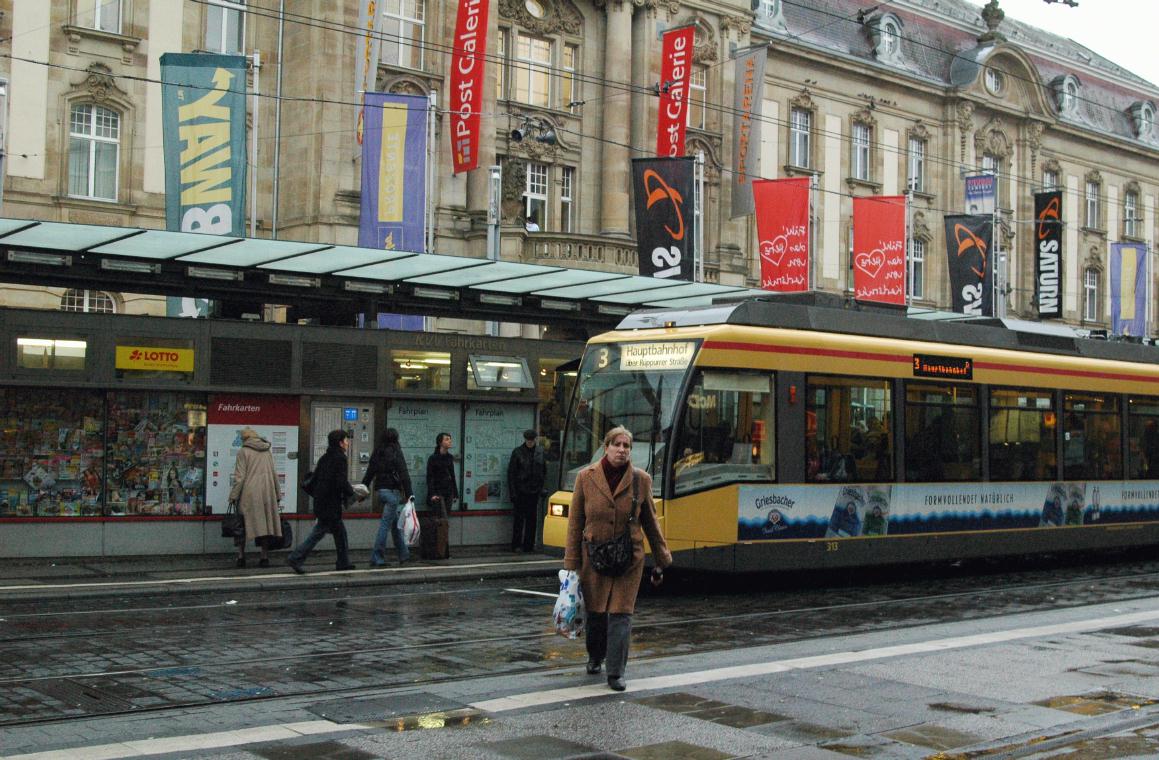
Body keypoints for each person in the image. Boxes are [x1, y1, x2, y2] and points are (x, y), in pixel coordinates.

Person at [563, 426, 672, 692]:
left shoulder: (640, 480)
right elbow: (575, 522)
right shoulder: (585, 478)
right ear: (606, 446)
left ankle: (616, 673)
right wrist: (571, 565)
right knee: (596, 614)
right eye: (617, 445)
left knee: (621, 615)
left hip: (629, 558)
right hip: (595, 558)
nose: (622, 450)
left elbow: (651, 523)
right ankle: (595, 656)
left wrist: (661, 559)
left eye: (627, 446)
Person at [287, 429, 359, 573]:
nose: (348, 442)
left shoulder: (325, 457)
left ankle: (343, 562)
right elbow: (340, 481)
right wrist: (354, 494)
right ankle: (296, 557)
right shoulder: (340, 458)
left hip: (322, 501)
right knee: (318, 533)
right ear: (340, 443)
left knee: (340, 533)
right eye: (346, 440)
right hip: (330, 504)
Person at [228, 427, 282, 568]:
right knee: (264, 524)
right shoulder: (267, 451)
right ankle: (264, 557)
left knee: (242, 525)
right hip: (267, 492)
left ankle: (241, 557)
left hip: (249, 493)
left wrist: (233, 495)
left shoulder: (243, 452)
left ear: (245, 439)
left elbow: (240, 477)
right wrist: (277, 493)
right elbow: (274, 473)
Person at [363, 428, 415, 567]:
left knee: (395, 524)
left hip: (381, 491)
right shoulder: (396, 451)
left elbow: (370, 472)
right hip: (393, 493)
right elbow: (403, 473)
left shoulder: (378, 451)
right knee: (385, 525)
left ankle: (404, 554)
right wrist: (410, 495)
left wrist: (363, 488)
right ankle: (377, 557)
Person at [507, 429, 546, 553]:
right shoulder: (518, 452)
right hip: (520, 491)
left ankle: (528, 545)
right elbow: (511, 473)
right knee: (519, 519)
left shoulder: (539, 452)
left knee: (531, 519)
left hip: (533, 491)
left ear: (535, 439)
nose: (530, 442)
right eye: (528, 440)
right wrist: (512, 492)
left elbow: (543, 471)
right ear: (525, 439)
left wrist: (541, 487)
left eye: (532, 440)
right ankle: (516, 544)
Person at [425, 432, 458, 558]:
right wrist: (432, 494)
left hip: (448, 491)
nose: (450, 441)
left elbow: (452, 475)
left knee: (445, 521)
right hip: (438, 493)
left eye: (450, 439)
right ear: (440, 442)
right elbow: (430, 477)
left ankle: (443, 550)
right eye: (447, 439)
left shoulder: (449, 457)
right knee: (440, 521)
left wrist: (455, 492)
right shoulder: (433, 458)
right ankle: (440, 550)